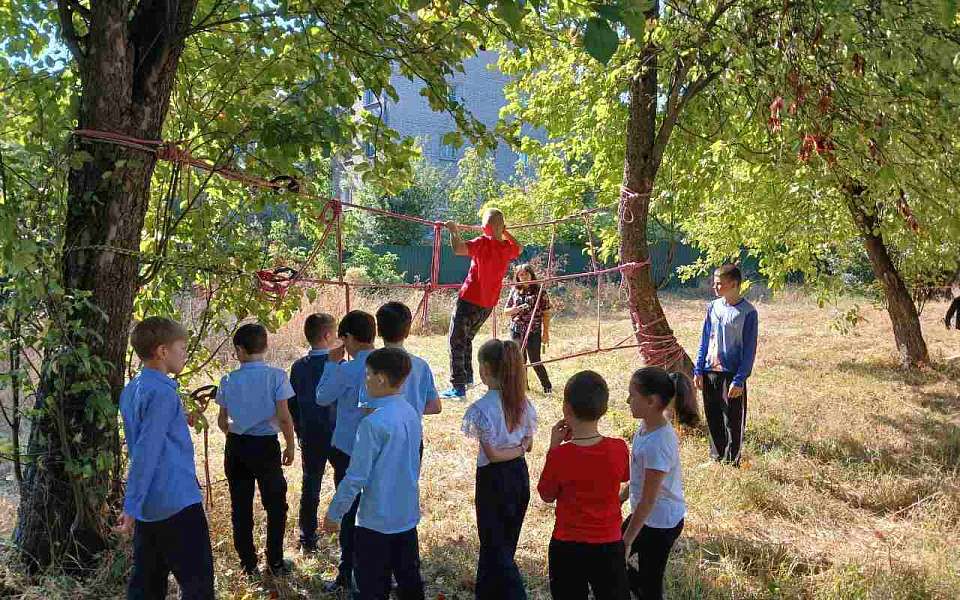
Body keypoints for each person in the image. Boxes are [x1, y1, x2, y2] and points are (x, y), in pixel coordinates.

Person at [118, 317, 215, 599]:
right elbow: (147, 452)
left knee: (147, 584)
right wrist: (130, 506)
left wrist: (181, 418)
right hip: (177, 502)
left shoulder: (133, 389)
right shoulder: (162, 393)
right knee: (198, 585)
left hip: (151, 505)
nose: (185, 354)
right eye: (182, 348)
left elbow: (149, 434)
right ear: (162, 351)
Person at [323, 348, 425, 600]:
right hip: (406, 515)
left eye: (367, 374)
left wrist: (334, 512)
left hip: (375, 521)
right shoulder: (410, 412)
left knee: (371, 586)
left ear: (380, 378)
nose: (364, 379)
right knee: (409, 580)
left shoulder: (372, 423)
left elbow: (356, 476)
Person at [537, 371, 630, 600]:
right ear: (604, 409)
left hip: (567, 545)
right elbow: (625, 475)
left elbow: (546, 495)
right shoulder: (618, 448)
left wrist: (554, 448)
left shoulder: (560, 455)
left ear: (566, 410)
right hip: (609, 542)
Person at [216, 323, 296, 577]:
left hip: (237, 446)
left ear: (239, 350)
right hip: (266, 447)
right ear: (266, 346)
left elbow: (221, 420)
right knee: (275, 504)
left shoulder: (228, 379)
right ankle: (275, 561)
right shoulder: (277, 376)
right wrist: (290, 445)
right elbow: (284, 417)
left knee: (240, 506)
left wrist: (235, 434)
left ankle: (248, 563)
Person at [461, 339, 537, 600]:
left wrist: (516, 450)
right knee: (503, 542)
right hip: (519, 476)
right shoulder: (524, 404)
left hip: (494, 480)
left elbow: (493, 455)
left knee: (496, 548)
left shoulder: (482, 408)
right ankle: (485, 593)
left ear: (484, 369)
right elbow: (528, 444)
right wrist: (520, 449)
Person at [315, 310, 377, 595]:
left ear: (349, 338)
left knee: (349, 512)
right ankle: (379, 570)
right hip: (380, 451)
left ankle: (347, 572)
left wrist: (331, 365)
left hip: (348, 449)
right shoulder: (387, 365)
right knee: (375, 509)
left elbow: (322, 397)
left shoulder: (347, 369)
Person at [620, 367, 696, 600]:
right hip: (648, 516)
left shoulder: (658, 442)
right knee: (613, 558)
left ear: (652, 401)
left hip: (660, 523)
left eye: (633, 395)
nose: (627, 400)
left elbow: (649, 498)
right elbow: (641, 477)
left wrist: (627, 541)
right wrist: (621, 497)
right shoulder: (646, 425)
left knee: (649, 582)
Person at [442, 208, 523, 399]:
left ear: (484, 227)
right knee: (466, 338)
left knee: (456, 340)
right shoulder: (505, 247)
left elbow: (458, 248)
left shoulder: (483, 242)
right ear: (501, 227)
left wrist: (453, 230)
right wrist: (505, 232)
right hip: (487, 304)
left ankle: (458, 386)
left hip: (469, 299)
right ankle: (467, 378)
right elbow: (519, 247)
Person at [693, 264, 758, 466]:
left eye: (719, 283)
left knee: (733, 420)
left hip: (732, 375)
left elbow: (749, 350)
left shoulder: (748, 312)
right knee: (713, 417)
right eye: (715, 283)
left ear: (734, 284)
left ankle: (732, 460)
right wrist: (698, 369)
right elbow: (704, 339)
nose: (715, 287)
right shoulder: (712, 307)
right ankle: (716, 457)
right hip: (710, 370)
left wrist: (740, 380)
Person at [289, 312, 338, 553]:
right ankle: (347, 530)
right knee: (345, 481)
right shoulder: (339, 365)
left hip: (310, 434)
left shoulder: (298, 367)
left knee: (310, 484)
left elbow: (292, 403)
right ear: (328, 336)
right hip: (337, 433)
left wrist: (298, 430)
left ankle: (307, 537)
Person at [375, 301, 442, 418]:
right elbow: (435, 406)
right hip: (413, 431)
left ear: (379, 331)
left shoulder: (372, 365)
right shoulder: (421, 365)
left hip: (382, 432)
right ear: (407, 330)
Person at [504, 263, 553, 394]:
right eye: (521, 275)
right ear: (517, 277)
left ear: (531, 275)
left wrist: (546, 333)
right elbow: (505, 310)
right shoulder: (514, 290)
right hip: (516, 330)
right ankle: (523, 387)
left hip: (533, 330)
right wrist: (514, 309)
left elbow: (546, 312)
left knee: (535, 360)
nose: (524, 277)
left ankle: (547, 386)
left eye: (526, 274)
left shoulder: (540, 291)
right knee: (519, 360)